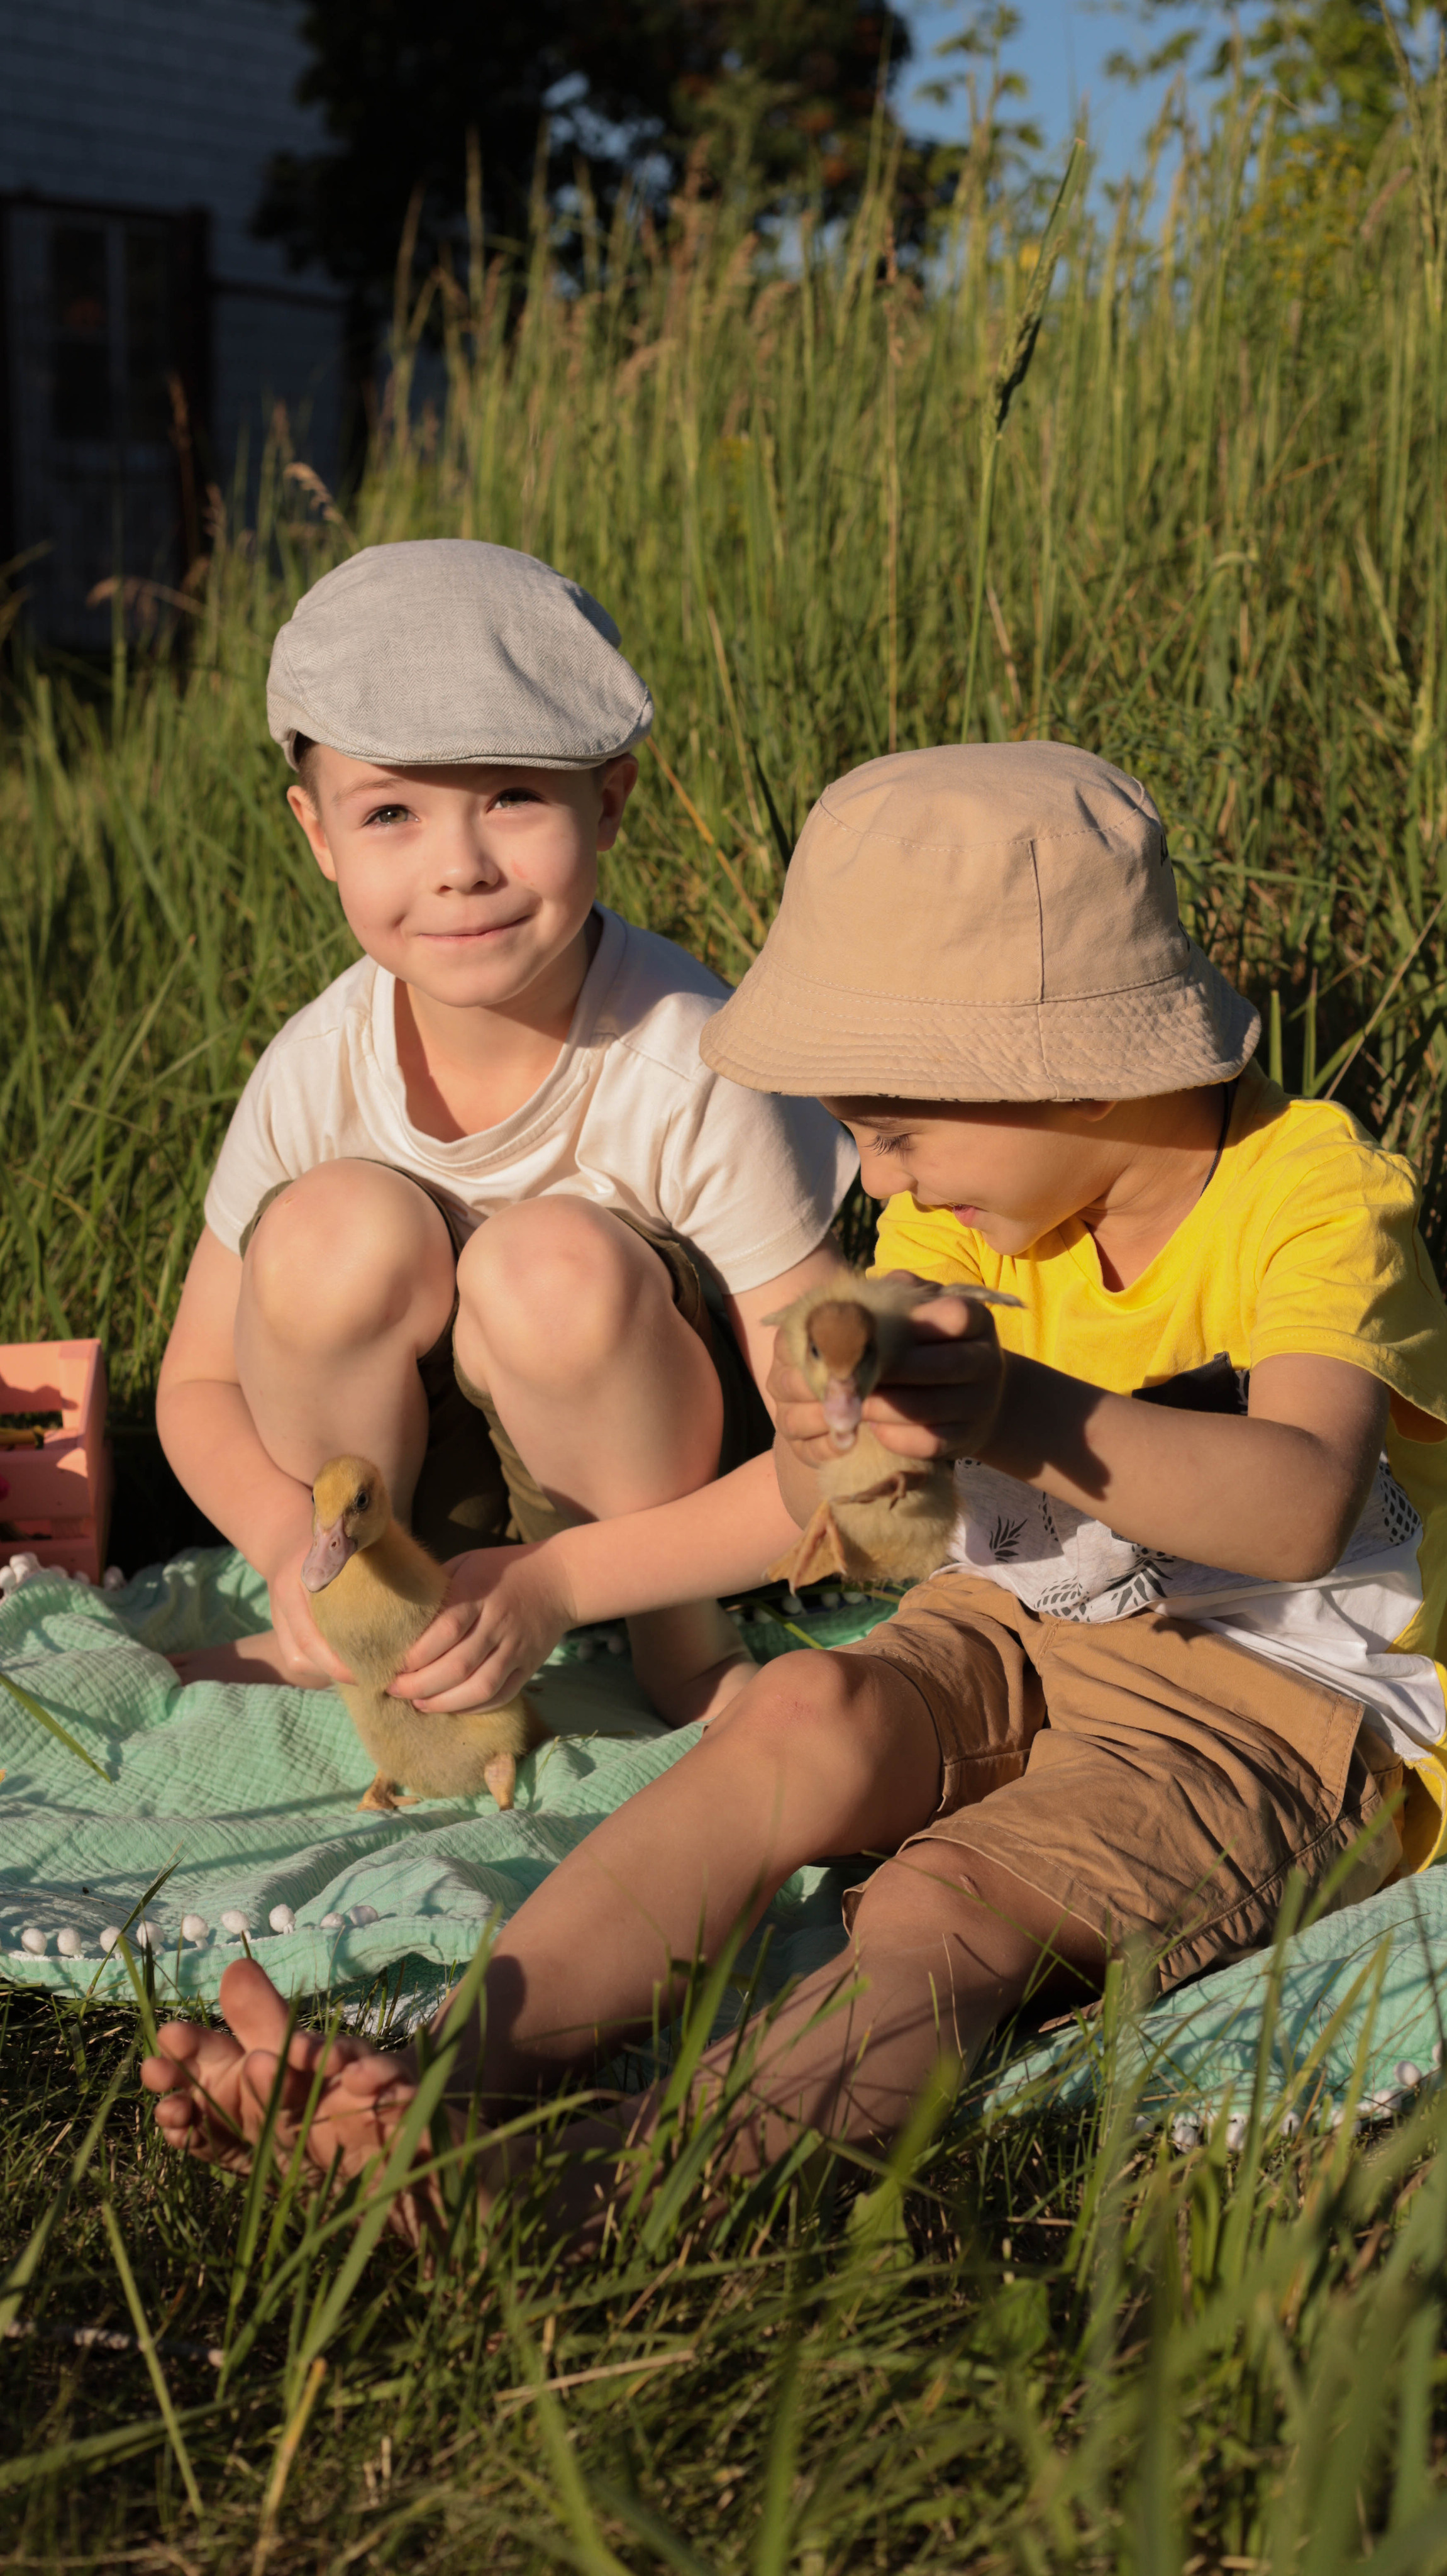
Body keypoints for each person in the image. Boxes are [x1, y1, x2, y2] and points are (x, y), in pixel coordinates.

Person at [143, 740, 1447, 2248]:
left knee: (951, 1907)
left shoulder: (1310, 1199)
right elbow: (815, 1494)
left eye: (893, 1126)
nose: (874, 1175)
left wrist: (1014, 1407)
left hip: (1276, 1703)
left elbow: (1295, 1505)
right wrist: (562, 1580)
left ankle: (581, 2199)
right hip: (1014, 1618)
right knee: (794, 1712)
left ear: (1067, 1065)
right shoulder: (966, 1220)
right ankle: (424, 2086)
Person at [157, 538, 853, 1724]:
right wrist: (284, 1544)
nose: (460, 869)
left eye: (513, 798)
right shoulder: (318, 1065)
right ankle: (369, 1615)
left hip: (659, 1509)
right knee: (326, 1233)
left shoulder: (689, 1060)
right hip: (412, 1505)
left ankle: (677, 1646)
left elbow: (837, 1437)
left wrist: (567, 1581)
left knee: (548, 1264)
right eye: (390, 812)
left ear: (608, 802)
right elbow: (197, 1381)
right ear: (318, 835)